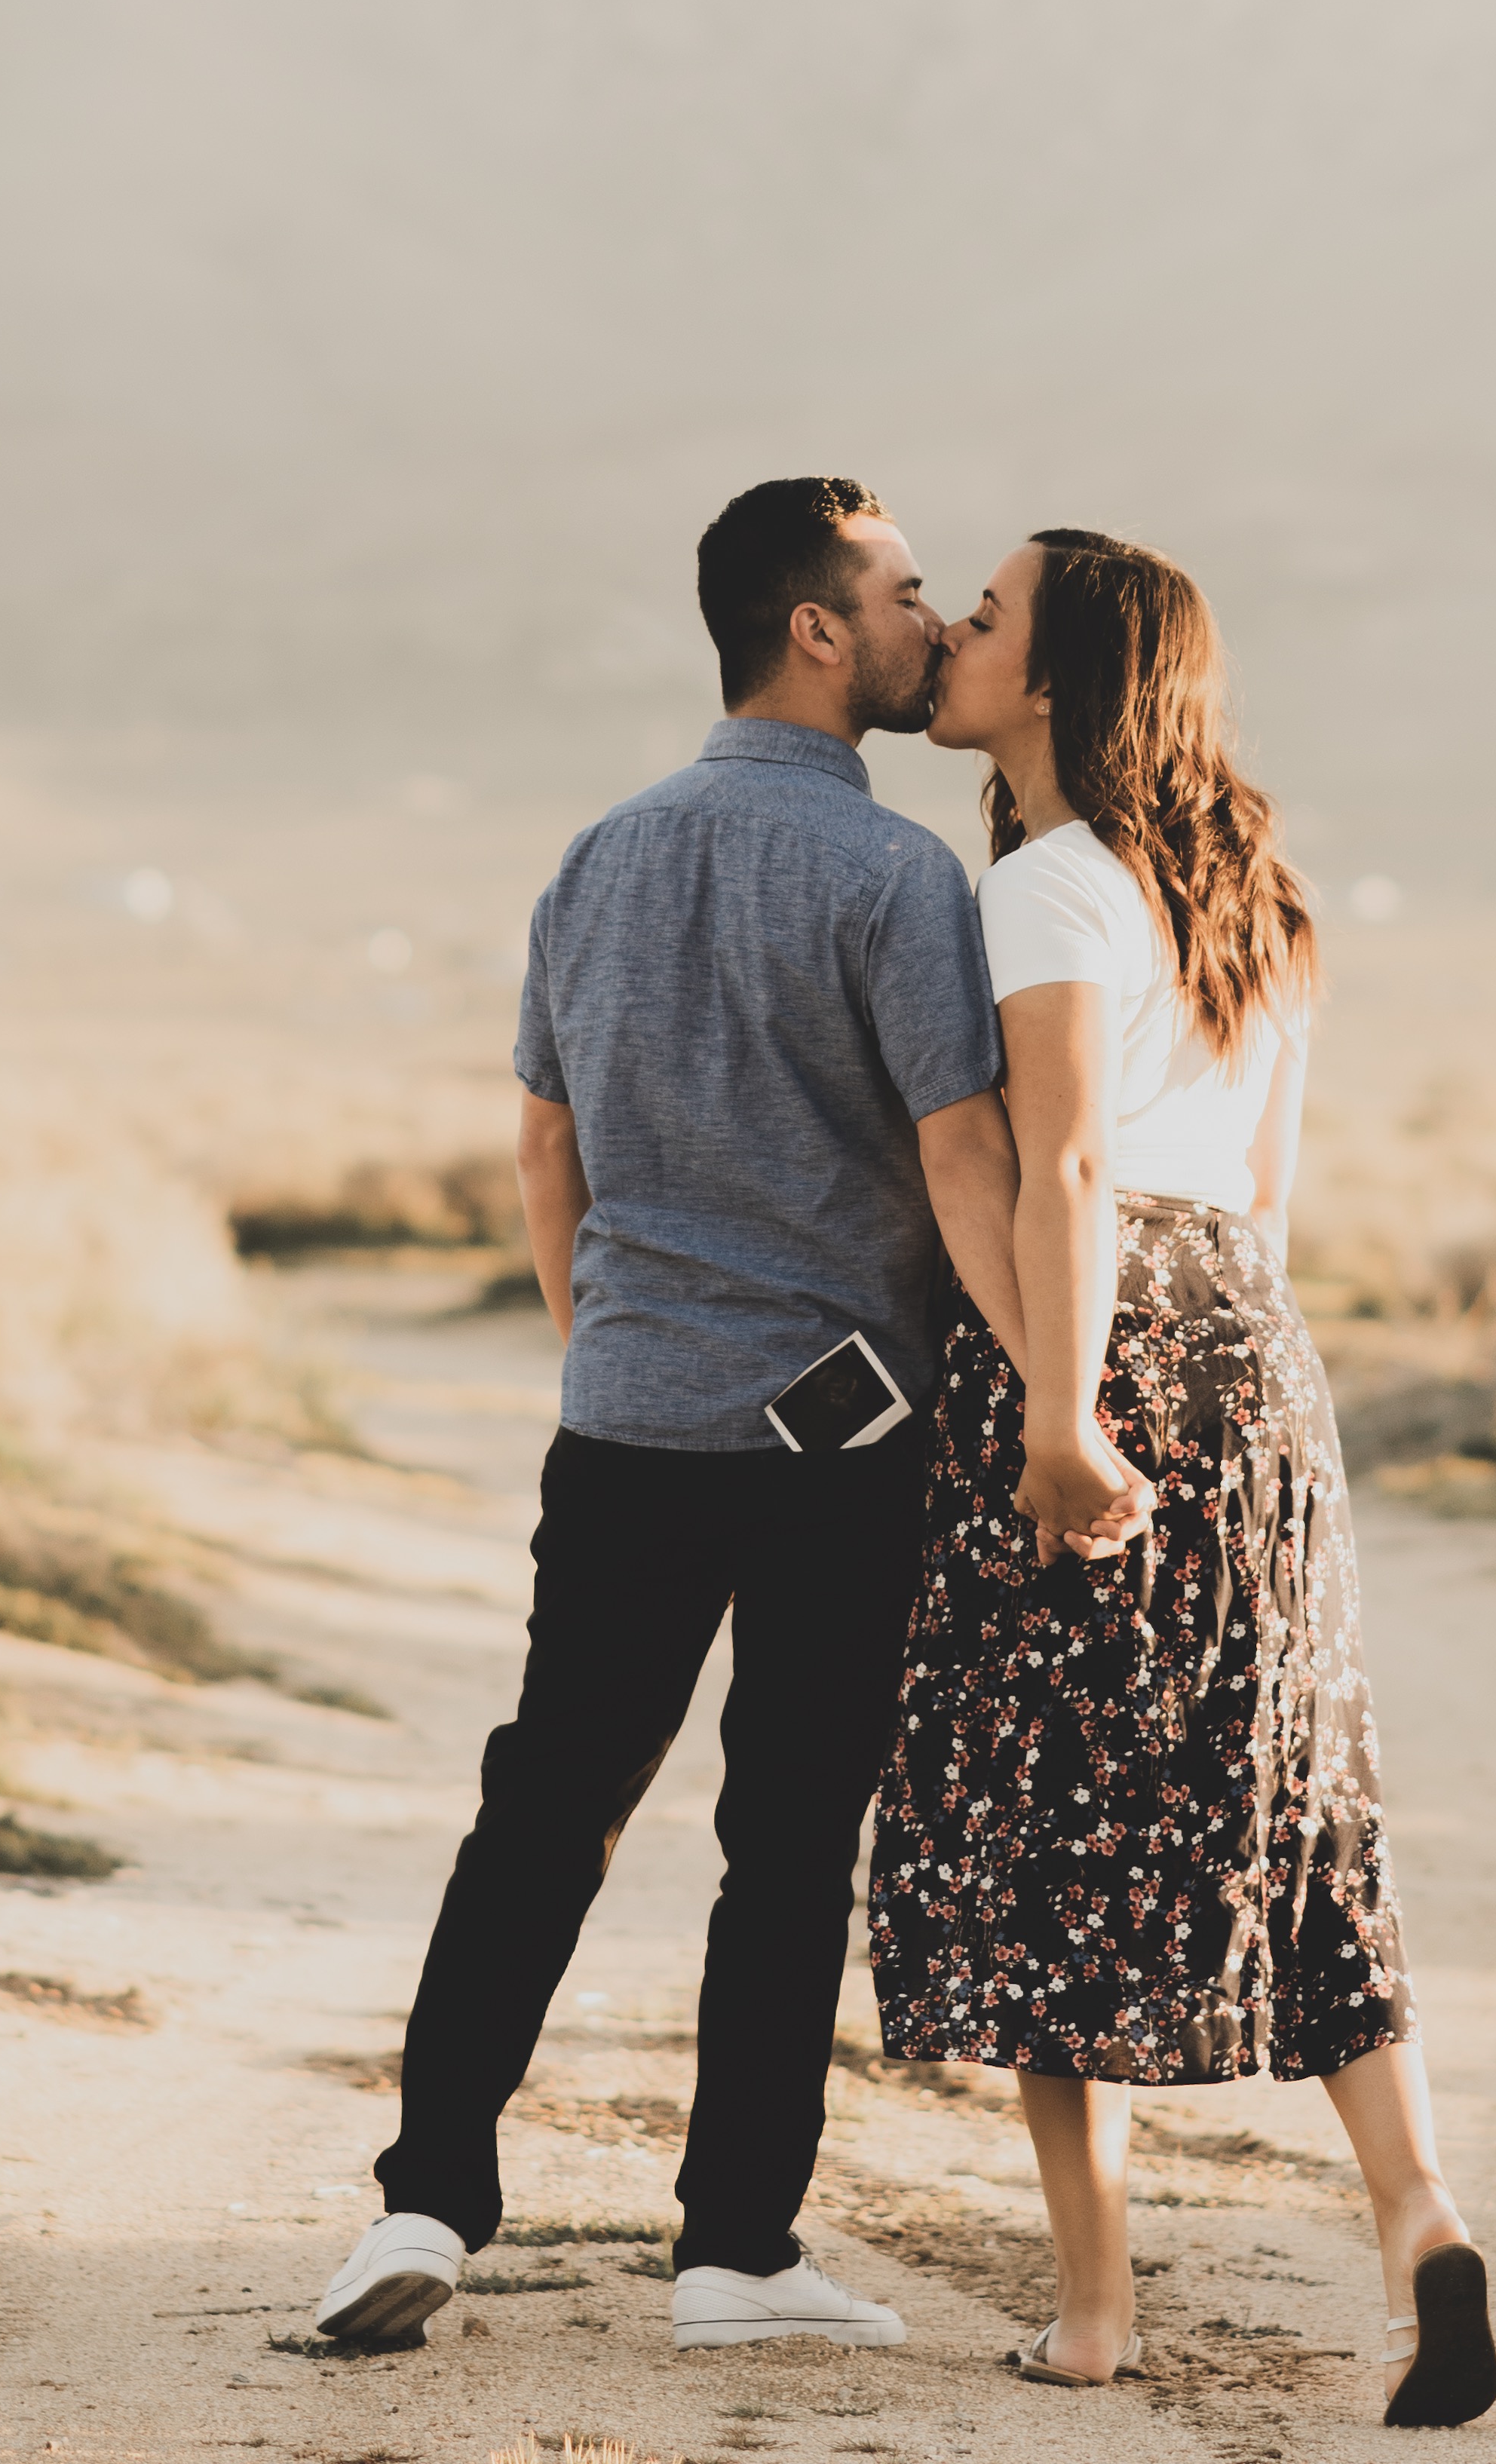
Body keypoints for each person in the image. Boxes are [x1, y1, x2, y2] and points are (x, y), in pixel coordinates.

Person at [307, 475, 1025, 2359]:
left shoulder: (598, 854)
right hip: (835, 1446)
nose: (928, 623)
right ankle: (733, 2253)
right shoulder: (896, 879)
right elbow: (964, 1165)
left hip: (623, 1422)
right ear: (815, 626)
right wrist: (1043, 1392)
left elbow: (545, 1143)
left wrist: (604, 1345)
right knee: (786, 1843)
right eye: (903, 590)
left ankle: (424, 2202)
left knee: (545, 1810)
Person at [866, 526, 1496, 2427]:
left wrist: (1063, 1418)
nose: (958, 640)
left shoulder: (1053, 886)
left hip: (1100, 1331)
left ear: (1055, 686)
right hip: (1255, 1351)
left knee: (1054, 1807)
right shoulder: (1260, 899)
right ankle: (1418, 2218)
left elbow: (1058, 1174)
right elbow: (1276, 1202)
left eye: (985, 620)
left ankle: (1092, 2307)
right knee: (1292, 1798)